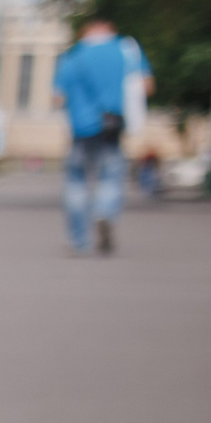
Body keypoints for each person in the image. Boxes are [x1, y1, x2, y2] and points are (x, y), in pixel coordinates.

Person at [51, 15, 151, 254]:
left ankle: (78, 241)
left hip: (80, 129)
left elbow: (58, 97)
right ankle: (105, 212)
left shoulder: (73, 56)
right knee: (110, 175)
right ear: (109, 28)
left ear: (87, 31)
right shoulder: (126, 50)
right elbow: (146, 86)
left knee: (77, 182)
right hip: (111, 126)